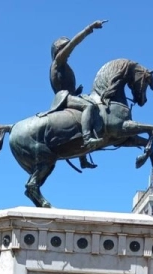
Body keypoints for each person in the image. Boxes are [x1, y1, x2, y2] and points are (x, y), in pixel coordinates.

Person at [40, 20, 107, 165]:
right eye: (65, 48)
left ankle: (82, 158)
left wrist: (77, 91)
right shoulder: (58, 62)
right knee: (88, 107)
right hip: (64, 98)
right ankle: (88, 139)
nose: (68, 52)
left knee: (89, 106)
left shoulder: (63, 65)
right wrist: (89, 28)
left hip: (70, 95)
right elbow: (73, 44)